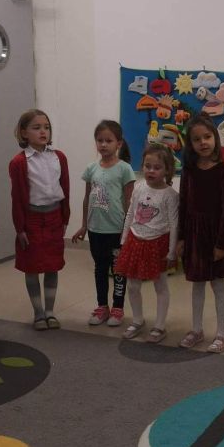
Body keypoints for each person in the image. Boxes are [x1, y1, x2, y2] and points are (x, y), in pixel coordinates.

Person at [177, 115, 224, 353]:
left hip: (214, 235)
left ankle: (221, 333)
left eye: (207, 137)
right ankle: (197, 329)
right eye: (197, 139)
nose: (203, 142)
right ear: (190, 144)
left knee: (217, 284)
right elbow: (183, 204)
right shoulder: (188, 171)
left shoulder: (223, 171)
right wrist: (181, 238)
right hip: (193, 235)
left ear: (215, 138)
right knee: (197, 284)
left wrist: (221, 243)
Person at [9, 109, 70, 329]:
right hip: (32, 220)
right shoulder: (19, 162)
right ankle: (38, 312)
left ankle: (50, 311)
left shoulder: (58, 157)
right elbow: (17, 197)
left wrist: (65, 218)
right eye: (36, 128)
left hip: (54, 218)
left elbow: (65, 188)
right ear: (24, 133)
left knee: (52, 265)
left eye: (46, 127)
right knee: (32, 266)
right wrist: (20, 228)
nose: (43, 132)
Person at [71, 120, 134, 328]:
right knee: (100, 268)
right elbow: (87, 199)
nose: (104, 144)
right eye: (100, 140)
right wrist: (84, 225)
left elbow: (129, 201)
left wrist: (129, 230)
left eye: (109, 140)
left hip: (117, 230)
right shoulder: (91, 169)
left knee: (118, 270)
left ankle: (118, 308)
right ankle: (102, 306)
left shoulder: (125, 169)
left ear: (119, 143)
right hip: (96, 230)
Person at [114, 143, 179, 343]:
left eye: (157, 167)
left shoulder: (171, 195)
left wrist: (171, 251)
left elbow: (174, 225)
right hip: (135, 240)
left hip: (157, 244)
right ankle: (137, 320)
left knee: (160, 285)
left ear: (167, 170)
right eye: (147, 166)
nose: (151, 171)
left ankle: (159, 326)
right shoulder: (139, 187)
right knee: (133, 286)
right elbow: (130, 214)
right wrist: (124, 240)